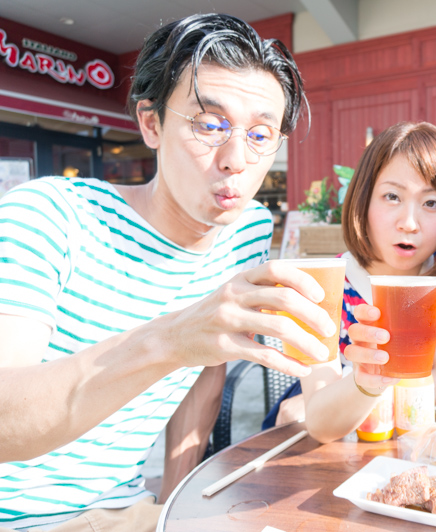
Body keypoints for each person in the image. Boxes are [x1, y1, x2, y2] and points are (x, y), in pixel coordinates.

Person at [0, 14, 336, 532]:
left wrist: (172, 508)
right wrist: (172, 339)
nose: (236, 159)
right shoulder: (51, 215)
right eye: (209, 124)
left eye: (260, 134)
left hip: (125, 511)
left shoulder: (246, 230)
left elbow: (207, 369)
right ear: (152, 124)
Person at [273, 122, 436, 443]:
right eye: (392, 196)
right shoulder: (329, 283)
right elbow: (322, 420)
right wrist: (325, 404)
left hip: (408, 438)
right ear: (363, 199)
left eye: (431, 203)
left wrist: (339, 398)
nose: (409, 223)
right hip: (339, 443)